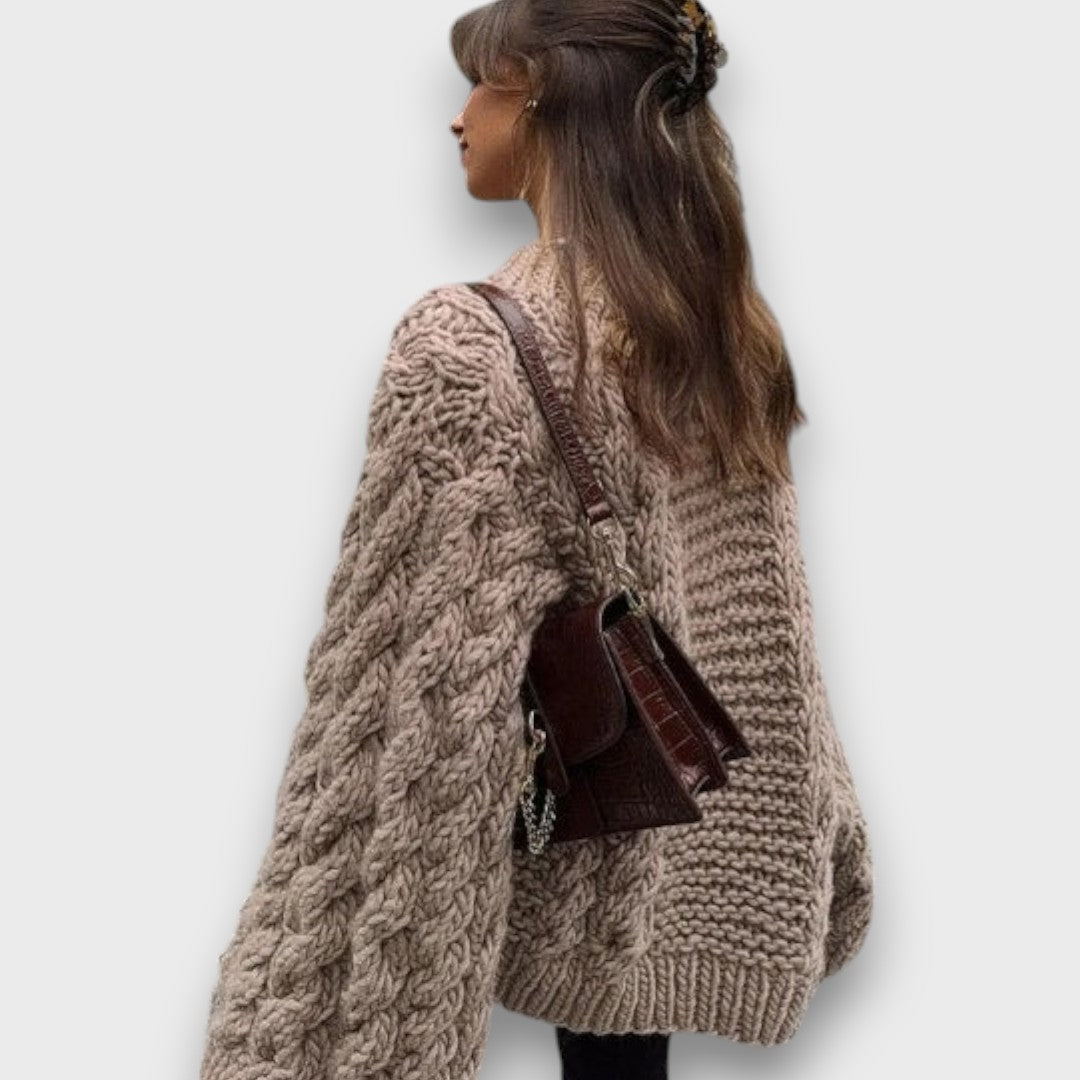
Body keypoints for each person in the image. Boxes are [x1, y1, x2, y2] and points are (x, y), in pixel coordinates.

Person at [197, 2, 874, 1079]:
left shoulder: (467, 348)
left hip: (580, 860)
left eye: (483, 83)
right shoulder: (722, 333)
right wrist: (821, 828)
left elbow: (410, 711)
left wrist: (323, 1009)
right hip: (682, 860)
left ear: (545, 96)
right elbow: (773, 652)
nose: (458, 116)